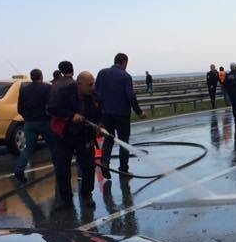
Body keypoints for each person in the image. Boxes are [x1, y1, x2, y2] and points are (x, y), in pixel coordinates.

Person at [47, 69, 100, 208]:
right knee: (62, 168)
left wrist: (100, 125)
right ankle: (65, 198)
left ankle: (87, 194)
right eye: (89, 84)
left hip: (85, 135)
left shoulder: (93, 94)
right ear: (79, 83)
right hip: (64, 135)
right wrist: (71, 116)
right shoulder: (63, 93)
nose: (92, 87)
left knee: (89, 167)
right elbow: (51, 108)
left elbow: (99, 111)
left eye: (93, 84)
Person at [95, 52, 147, 179]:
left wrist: (99, 116)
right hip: (122, 114)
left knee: (109, 139)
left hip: (106, 113)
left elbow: (97, 94)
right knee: (124, 141)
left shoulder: (102, 73)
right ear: (124, 62)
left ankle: (105, 163)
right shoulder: (125, 76)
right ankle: (123, 170)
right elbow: (130, 96)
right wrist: (139, 112)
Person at [13, 68, 56, 182]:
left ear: (31, 77)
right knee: (53, 147)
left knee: (28, 149)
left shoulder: (24, 89)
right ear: (41, 77)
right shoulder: (47, 87)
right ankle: (59, 168)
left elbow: (20, 108)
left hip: (29, 123)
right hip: (45, 122)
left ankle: (19, 170)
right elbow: (50, 105)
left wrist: (27, 117)